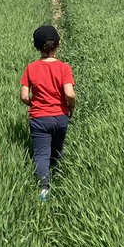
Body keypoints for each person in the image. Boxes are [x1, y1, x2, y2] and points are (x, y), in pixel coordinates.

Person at [20, 24, 75, 201]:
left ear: (36, 47)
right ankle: (60, 178)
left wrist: (33, 103)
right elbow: (69, 93)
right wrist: (70, 107)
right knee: (57, 149)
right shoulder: (64, 67)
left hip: (39, 118)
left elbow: (23, 96)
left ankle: (44, 189)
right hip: (60, 117)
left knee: (41, 154)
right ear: (58, 45)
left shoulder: (31, 68)